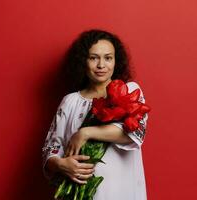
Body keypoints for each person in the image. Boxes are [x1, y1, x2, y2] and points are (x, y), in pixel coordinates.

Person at [42, 29, 149, 200]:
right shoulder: (70, 102)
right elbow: (51, 148)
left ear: (116, 61)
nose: (101, 65)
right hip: (78, 193)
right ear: (83, 61)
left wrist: (85, 133)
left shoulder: (129, 90)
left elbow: (134, 133)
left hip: (122, 191)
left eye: (108, 58)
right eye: (93, 58)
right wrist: (61, 164)